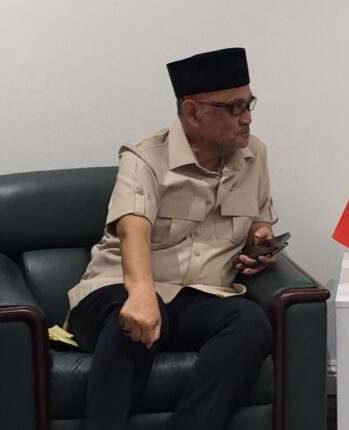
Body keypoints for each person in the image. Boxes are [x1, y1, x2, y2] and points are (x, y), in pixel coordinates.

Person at [67, 47, 278, 430]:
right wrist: (141, 293)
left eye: (249, 104)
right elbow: (132, 227)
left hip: (202, 295)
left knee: (250, 322)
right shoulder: (145, 157)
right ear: (193, 112)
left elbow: (259, 216)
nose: (247, 118)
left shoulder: (254, 154)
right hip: (118, 288)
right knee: (139, 321)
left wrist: (260, 238)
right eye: (234, 108)